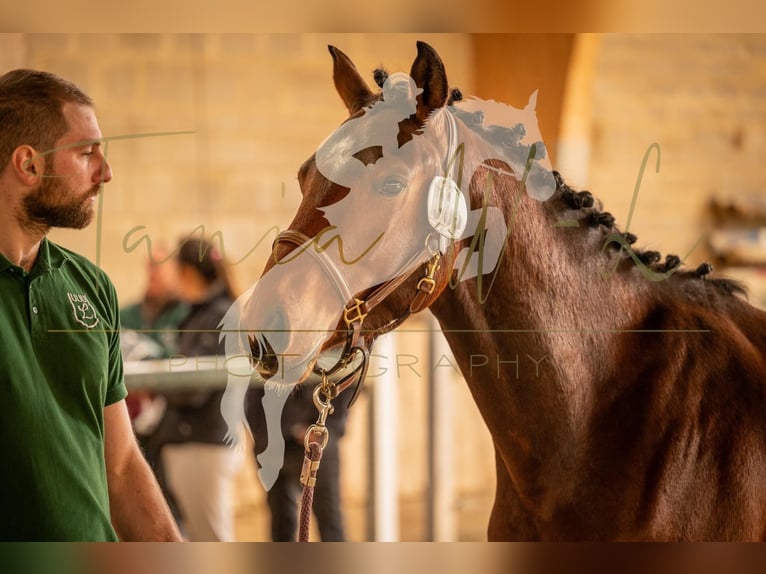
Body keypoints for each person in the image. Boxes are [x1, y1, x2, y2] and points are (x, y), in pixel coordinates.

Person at [0, 68, 182, 541]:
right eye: (86, 153)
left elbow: (120, 467)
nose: (106, 172)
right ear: (29, 164)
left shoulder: (92, 286)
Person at [147, 236, 243, 541]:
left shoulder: (216, 316)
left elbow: (193, 387)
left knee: (212, 539)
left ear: (187, 271)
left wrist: (155, 384)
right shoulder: (197, 313)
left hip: (202, 442)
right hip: (192, 441)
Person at [248, 381, 349, 541]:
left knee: (329, 522)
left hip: (309, 440)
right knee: (281, 524)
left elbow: (346, 380)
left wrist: (326, 426)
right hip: (271, 441)